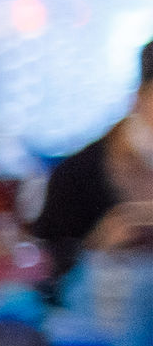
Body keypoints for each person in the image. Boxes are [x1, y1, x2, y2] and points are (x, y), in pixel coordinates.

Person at [32, 40, 153, 280]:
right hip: (107, 307)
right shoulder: (76, 176)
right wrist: (95, 248)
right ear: (139, 98)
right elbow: (47, 271)